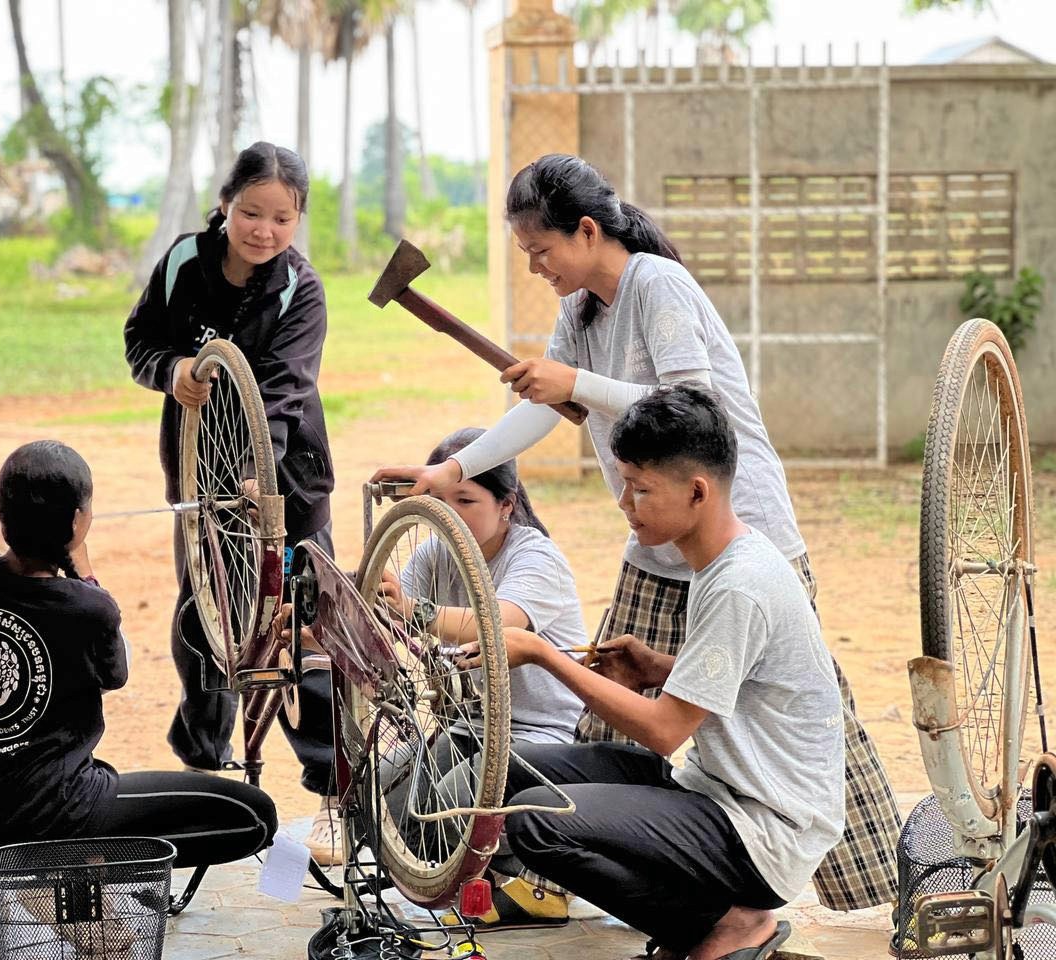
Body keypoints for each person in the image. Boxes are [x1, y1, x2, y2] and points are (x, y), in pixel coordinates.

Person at [372, 153, 899, 920]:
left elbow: (694, 405)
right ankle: (560, 867)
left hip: (729, 524)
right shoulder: (582, 309)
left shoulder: (658, 286)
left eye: (542, 250)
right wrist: (453, 469)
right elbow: (540, 408)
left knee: (806, 718)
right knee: (612, 694)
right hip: (655, 535)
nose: (536, 266)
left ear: (586, 231)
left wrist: (573, 384)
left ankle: (878, 887)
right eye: (526, 255)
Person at [460, 387, 844, 960]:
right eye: (624, 485)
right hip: (715, 790)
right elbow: (745, 685)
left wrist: (545, 654)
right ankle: (704, 916)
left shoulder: (740, 584)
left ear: (697, 491)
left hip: (762, 828)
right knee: (509, 768)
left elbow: (666, 731)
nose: (625, 503)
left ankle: (727, 923)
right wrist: (657, 668)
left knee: (539, 822)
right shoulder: (722, 559)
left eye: (641, 489)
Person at [0, 440, 277, 924]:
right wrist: (84, 571)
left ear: (1, 513)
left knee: (51, 776)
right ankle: (47, 873)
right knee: (255, 817)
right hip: (52, 813)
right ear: (76, 522)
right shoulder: (88, 608)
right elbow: (117, 673)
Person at [124, 142, 341, 864]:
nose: (264, 230)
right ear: (225, 204)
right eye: (251, 212)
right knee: (205, 608)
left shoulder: (299, 291)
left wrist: (261, 475)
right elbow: (140, 340)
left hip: (285, 476)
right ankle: (204, 754)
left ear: (298, 219)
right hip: (197, 467)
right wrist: (175, 368)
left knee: (299, 620)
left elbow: (283, 387)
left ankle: (332, 783)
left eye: (282, 218)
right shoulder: (185, 261)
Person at [375, 427, 584, 927]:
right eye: (439, 500)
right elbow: (381, 614)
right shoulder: (432, 554)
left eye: (465, 499)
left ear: (507, 504)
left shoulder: (535, 558)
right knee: (385, 802)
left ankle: (529, 874)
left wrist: (414, 611)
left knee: (444, 812)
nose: (449, 514)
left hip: (537, 733)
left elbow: (498, 624)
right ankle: (483, 870)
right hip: (469, 727)